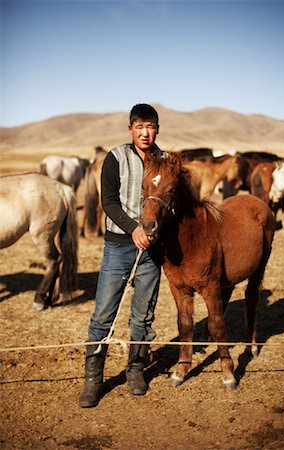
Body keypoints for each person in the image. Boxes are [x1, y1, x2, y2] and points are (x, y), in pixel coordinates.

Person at [79, 104, 163, 408]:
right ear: (130, 129)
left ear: (157, 129)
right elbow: (109, 201)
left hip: (152, 251)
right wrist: (133, 229)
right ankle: (93, 380)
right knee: (103, 314)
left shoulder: (164, 161)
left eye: (150, 126)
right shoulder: (116, 157)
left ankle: (136, 369)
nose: (145, 132)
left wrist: (155, 231)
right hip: (118, 246)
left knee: (143, 315)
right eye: (139, 126)